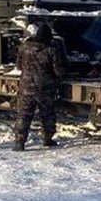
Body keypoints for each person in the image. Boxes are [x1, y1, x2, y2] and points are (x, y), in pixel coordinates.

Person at [12, 21, 68, 151]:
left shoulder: (24, 47)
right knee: (47, 114)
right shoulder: (51, 50)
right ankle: (47, 139)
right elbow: (59, 71)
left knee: (24, 114)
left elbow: (18, 66)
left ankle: (19, 142)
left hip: (26, 86)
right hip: (45, 88)